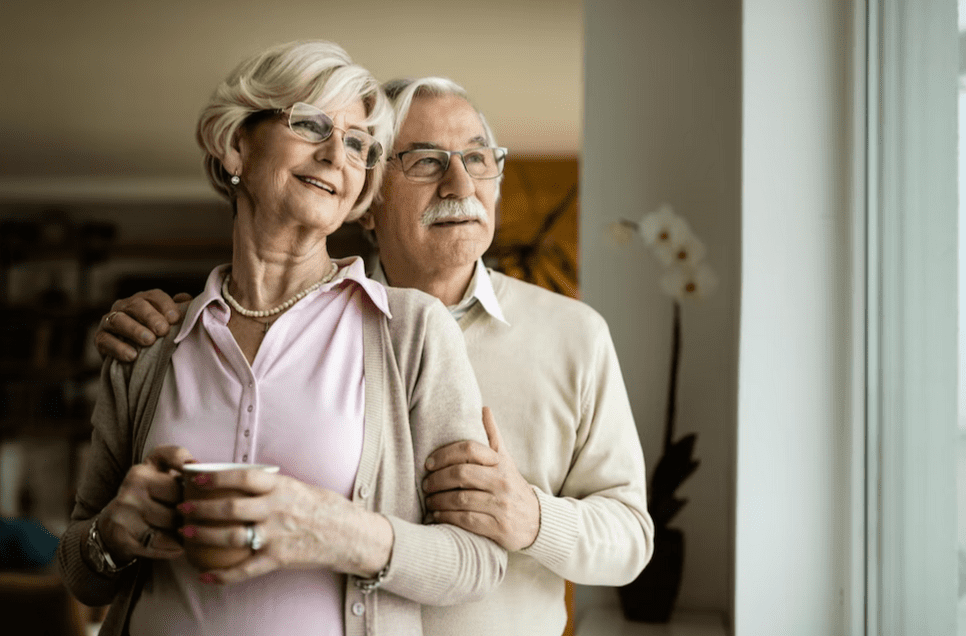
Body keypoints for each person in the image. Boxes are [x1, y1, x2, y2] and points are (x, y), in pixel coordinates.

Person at [96, 76, 652, 636]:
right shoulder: (304, 333)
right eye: (426, 161)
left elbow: (632, 541)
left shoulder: (574, 333)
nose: (460, 182)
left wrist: (532, 518)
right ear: (367, 201)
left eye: (478, 158)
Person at [58, 42, 505, 636]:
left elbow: (478, 562)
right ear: (237, 142)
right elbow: (80, 572)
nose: (334, 155)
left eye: (357, 145)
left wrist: (335, 530)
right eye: (310, 124)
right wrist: (112, 531)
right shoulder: (151, 342)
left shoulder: (413, 332)